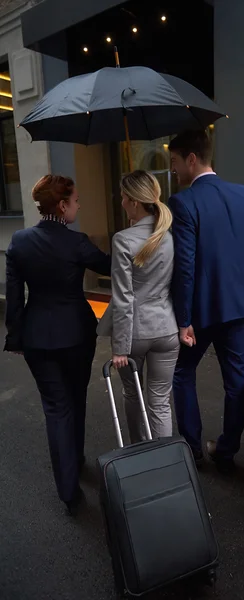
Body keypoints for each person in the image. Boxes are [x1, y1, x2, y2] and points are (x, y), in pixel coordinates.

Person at [4, 175, 111, 516]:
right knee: (75, 398)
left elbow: (15, 297)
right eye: (76, 201)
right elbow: (111, 265)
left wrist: (16, 336)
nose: (78, 205)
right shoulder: (76, 243)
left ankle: (68, 489)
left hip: (37, 337)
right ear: (62, 205)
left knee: (55, 408)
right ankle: (75, 460)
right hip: (77, 335)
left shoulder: (19, 242)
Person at [168, 130, 244, 474]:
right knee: (236, 379)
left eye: (175, 161)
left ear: (191, 159)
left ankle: (193, 449)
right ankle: (226, 450)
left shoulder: (183, 202)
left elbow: (185, 265)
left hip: (202, 310)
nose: (173, 169)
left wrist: (183, 319)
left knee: (182, 372)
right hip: (241, 305)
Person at [98, 170, 179, 442]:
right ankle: (165, 459)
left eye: (123, 197)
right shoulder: (168, 235)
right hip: (167, 329)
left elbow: (123, 297)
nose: (120, 202)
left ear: (134, 201)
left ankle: (140, 454)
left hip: (134, 334)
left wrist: (119, 347)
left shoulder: (123, 239)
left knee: (133, 395)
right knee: (160, 402)